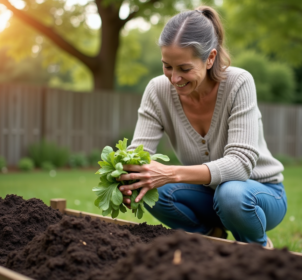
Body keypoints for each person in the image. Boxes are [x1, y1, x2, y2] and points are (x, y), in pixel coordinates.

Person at [117, 6, 287, 247]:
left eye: (184, 69)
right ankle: (208, 240)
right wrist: (127, 175)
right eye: (167, 66)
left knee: (230, 193)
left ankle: (258, 251)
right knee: (150, 188)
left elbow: (240, 165)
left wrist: (169, 173)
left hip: (258, 194)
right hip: (206, 195)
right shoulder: (157, 90)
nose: (174, 78)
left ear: (210, 58)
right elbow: (139, 153)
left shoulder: (239, 83)